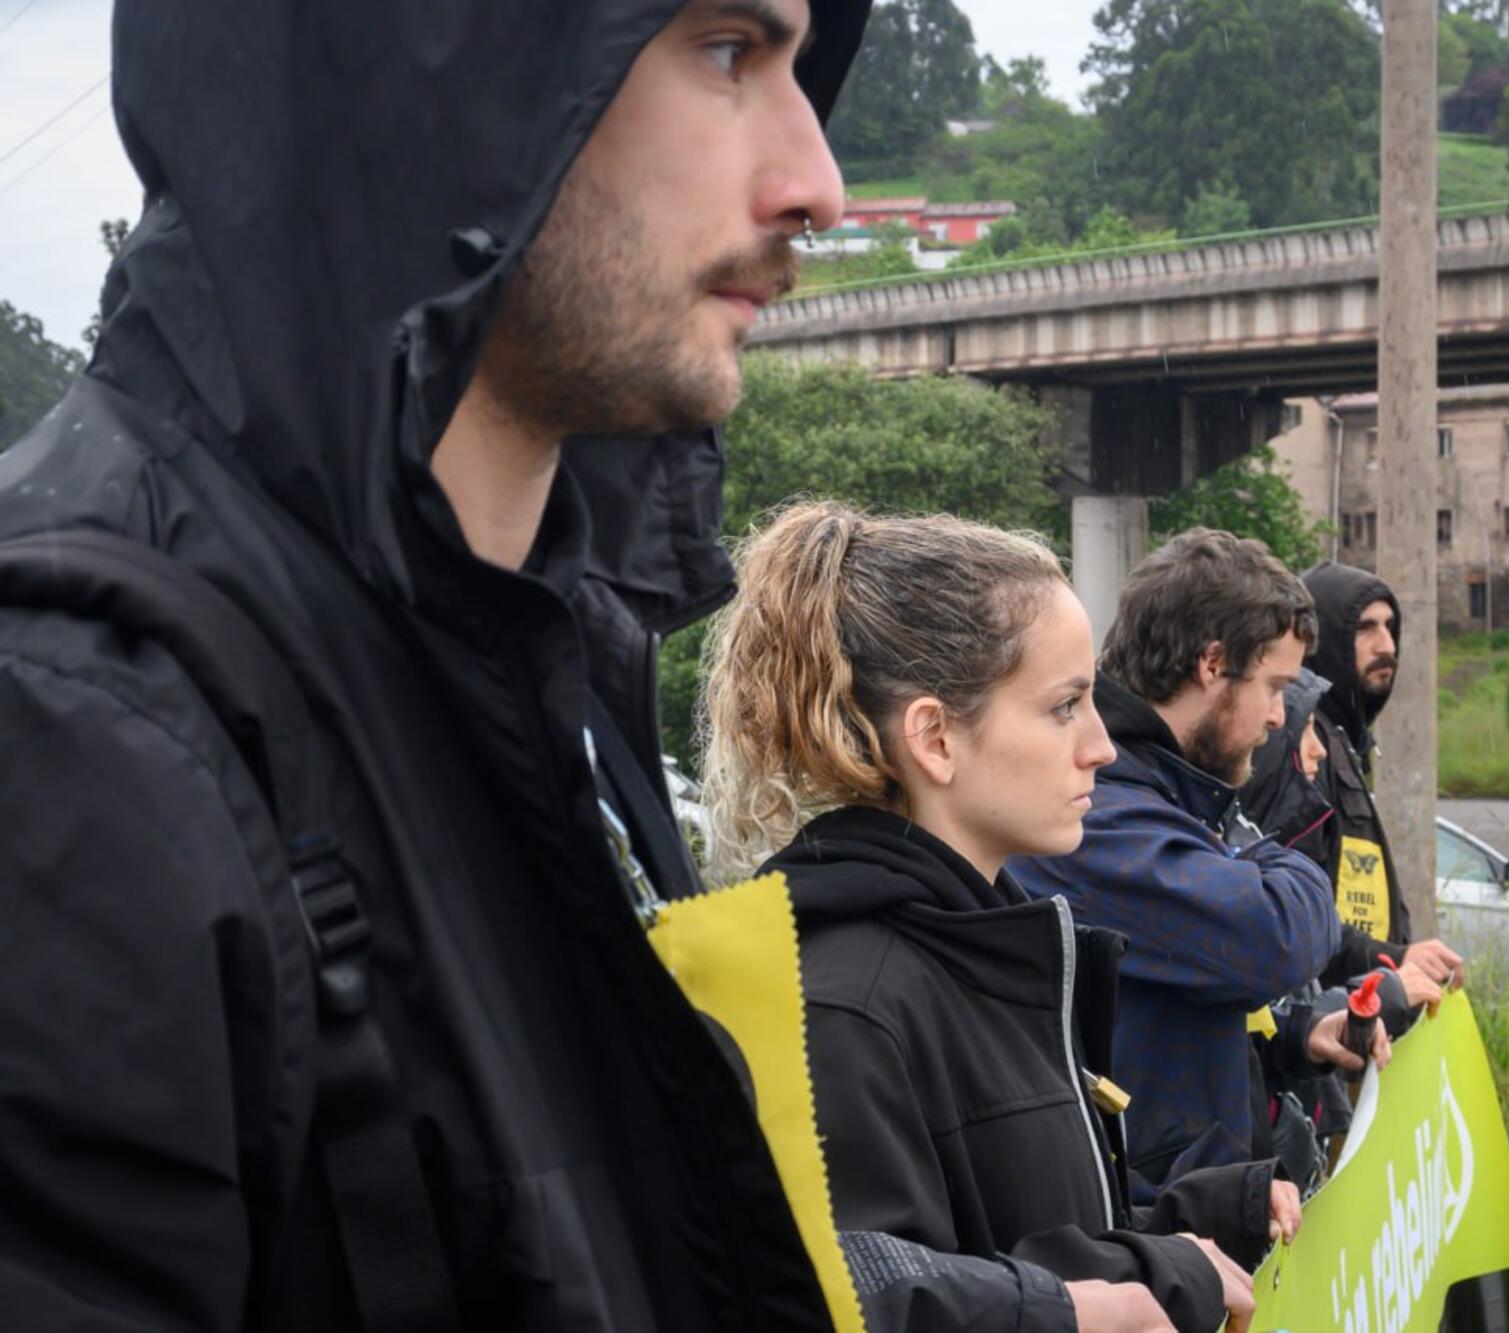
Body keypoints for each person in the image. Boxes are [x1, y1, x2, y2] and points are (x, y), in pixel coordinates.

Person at [0, 2, 1088, 1328]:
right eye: (728, 49)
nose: (818, 182)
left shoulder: (550, 682)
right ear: (448, 56)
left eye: (803, 67)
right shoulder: (73, 723)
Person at [701, 502, 1299, 1333]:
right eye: (1065, 706)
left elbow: (999, 1253)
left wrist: (1183, 1231)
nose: (1100, 746)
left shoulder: (990, 945)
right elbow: (854, 1302)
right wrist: (1129, 1280)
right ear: (935, 738)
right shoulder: (845, 1004)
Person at [1011, 529, 1400, 1195]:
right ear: (1212, 664)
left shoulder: (1169, 793)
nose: (1280, 717)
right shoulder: (1100, 816)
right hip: (1150, 1248)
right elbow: (1273, 936)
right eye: (1274, 685)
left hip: (1196, 1229)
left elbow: (1160, 1028)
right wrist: (1275, 856)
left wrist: (1296, 1037)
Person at [1298, 562, 1464, 994]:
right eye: (1365, 629)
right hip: (1319, 1022)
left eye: (1391, 628)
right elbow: (1298, 916)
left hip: (1360, 1003)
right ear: (1323, 641)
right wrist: (1393, 958)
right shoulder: (1302, 742)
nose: (1386, 645)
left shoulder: (1340, 740)